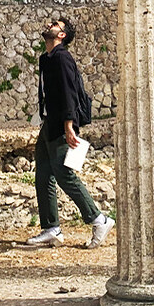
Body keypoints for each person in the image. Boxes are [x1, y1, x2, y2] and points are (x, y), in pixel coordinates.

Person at [26, 16, 114, 249]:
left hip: (61, 124)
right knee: (44, 174)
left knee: (64, 173)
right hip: (49, 123)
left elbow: (68, 94)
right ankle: (51, 228)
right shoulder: (46, 58)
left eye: (55, 24)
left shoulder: (62, 58)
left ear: (62, 35)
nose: (49, 24)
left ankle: (99, 219)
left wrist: (68, 126)